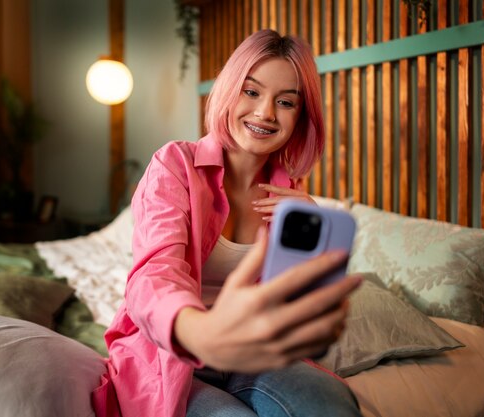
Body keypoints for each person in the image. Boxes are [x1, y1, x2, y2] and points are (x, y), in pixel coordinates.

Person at [92, 29, 363, 417]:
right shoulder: (174, 165)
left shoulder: (293, 199)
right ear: (228, 89)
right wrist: (203, 335)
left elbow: (294, 307)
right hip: (174, 348)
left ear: (301, 117)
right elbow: (154, 274)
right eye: (251, 92)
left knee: (332, 407)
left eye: (285, 102)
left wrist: (314, 241)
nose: (266, 113)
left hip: (251, 351)